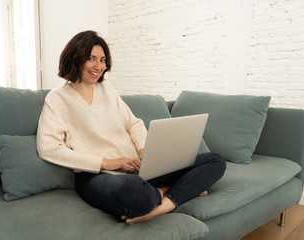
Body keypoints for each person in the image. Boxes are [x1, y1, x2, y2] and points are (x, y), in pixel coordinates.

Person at [36, 30, 226, 225]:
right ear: (75, 58)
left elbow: (133, 123)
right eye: (91, 58)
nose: (98, 66)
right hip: (97, 176)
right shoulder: (57, 98)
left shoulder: (107, 89)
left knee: (215, 161)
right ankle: (174, 190)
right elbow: (48, 148)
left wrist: (144, 151)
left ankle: (164, 203)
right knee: (136, 193)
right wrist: (107, 162)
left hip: (138, 170)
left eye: (102, 60)